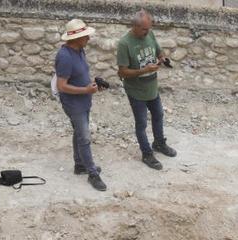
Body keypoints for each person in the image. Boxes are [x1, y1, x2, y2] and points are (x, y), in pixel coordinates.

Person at [117, 10, 177, 171]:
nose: (147, 32)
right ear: (135, 27)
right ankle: (147, 154)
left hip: (152, 87)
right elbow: (122, 72)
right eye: (144, 29)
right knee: (141, 123)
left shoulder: (149, 35)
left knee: (158, 115)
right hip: (136, 91)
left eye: (149, 28)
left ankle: (159, 143)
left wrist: (162, 58)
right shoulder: (124, 44)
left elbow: (159, 52)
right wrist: (143, 70)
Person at [54, 19, 106, 191]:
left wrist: (92, 86)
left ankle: (79, 165)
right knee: (84, 137)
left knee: (78, 133)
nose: (88, 39)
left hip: (84, 100)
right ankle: (92, 173)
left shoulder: (80, 50)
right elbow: (61, 86)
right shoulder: (65, 56)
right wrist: (85, 90)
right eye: (85, 36)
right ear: (75, 38)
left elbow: (79, 75)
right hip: (74, 104)